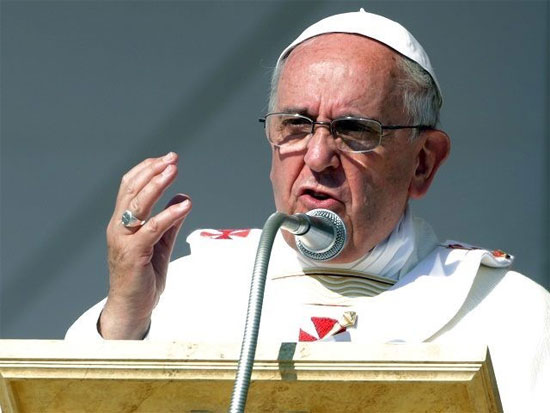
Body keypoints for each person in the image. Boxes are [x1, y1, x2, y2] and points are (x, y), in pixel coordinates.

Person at [66, 9, 550, 411]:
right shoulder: (185, 292)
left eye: (354, 130)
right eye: (296, 125)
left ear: (423, 163)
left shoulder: (512, 315)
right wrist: (125, 321)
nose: (317, 158)